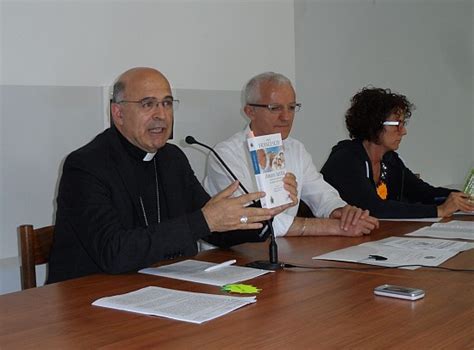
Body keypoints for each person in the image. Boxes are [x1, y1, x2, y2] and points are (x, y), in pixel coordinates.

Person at [47, 67, 297, 283]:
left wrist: (266, 206)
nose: (161, 114)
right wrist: (204, 220)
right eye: (148, 104)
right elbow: (114, 252)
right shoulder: (85, 166)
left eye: (167, 103)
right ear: (118, 113)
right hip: (91, 300)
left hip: (162, 289)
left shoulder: (171, 158)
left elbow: (214, 228)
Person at [204, 72, 379, 237]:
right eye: (275, 108)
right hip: (230, 257)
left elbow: (321, 194)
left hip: (283, 250)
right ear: (250, 111)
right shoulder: (225, 155)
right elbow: (254, 217)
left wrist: (342, 212)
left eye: (292, 107)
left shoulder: (296, 149)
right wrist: (330, 227)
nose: (286, 117)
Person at [321, 87, 474, 218]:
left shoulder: (389, 159)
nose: (404, 132)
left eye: (403, 124)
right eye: (397, 124)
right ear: (374, 124)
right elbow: (372, 208)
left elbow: (422, 192)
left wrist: (464, 198)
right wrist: (439, 211)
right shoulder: (345, 159)